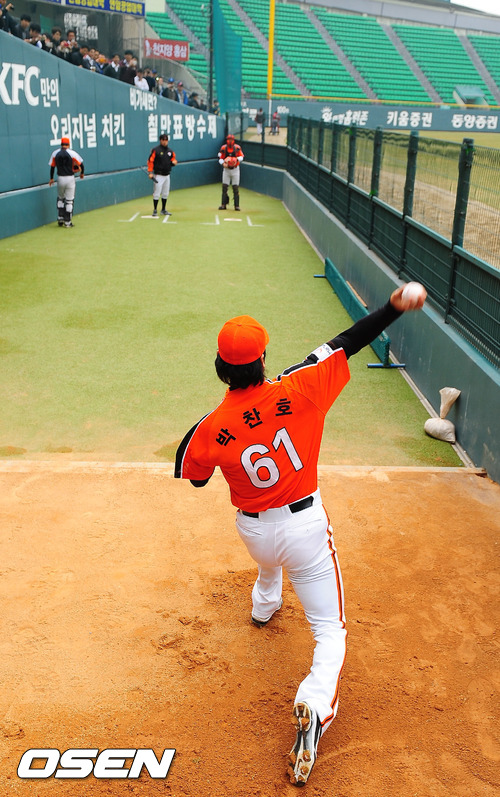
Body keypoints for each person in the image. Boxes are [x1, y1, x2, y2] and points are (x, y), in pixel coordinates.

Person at [174, 284, 427, 786]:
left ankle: (263, 606)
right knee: (330, 630)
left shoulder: (209, 427)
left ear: (221, 369)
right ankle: (314, 704)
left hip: (253, 530)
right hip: (306, 529)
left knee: (269, 562)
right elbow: (348, 341)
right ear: (263, 360)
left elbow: (197, 476)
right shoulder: (302, 385)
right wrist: (393, 307)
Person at [48, 137, 84, 228]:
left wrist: (51, 178)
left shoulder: (55, 153)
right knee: (69, 201)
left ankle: (60, 218)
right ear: (68, 144)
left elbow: (52, 167)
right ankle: (67, 222)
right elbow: (81, 164)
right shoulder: (72, 153)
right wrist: (82, 173)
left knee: (60, 198)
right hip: (70, 178)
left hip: (60, 178)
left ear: (61, 144)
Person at [147, 132, 177, 217]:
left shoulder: (170, 151)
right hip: (158, 175)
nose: (165, 141)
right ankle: (155, 209)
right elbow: (150, 161)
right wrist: (150, 172)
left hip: (167, 175)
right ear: (160, 140)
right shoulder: (156, 150)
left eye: (166, 140)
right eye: (163, 140)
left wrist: (174, 162)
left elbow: (172, 160)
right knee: (157, 192)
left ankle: (163, 209)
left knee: (165, 193)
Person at [217, 133, 244, 211]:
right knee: (224, 187)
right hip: (226, 170)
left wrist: (236, 160)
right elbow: (220, 158)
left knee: (235, 187)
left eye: (231, 140)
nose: (230, 141)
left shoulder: (237, 148)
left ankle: (236, 205)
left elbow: (242, 157)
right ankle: (223, 204)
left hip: (235, 170)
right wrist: (223, 163)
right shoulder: (223, 148)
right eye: (229, 140)